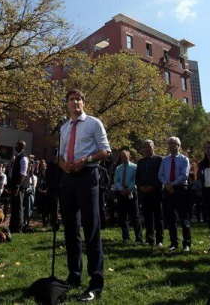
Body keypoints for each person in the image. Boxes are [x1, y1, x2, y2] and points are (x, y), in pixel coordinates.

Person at [58, 88, 111, 302]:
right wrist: (63, 164)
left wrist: (86, 159)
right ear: (67, 104)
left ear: (83, 102)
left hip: (88, 175)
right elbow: (60, 154)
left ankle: (95, 283)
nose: (75, 102)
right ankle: (74, 275)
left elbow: (105, 150)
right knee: (70, 229)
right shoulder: (64, 128)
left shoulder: (94, 123)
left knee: (91, 228)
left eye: (78, 99)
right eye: (71, 99)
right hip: (68, 177)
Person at [158, 136, 192, 253]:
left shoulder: (184, 159)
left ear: (178, 146)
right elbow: (160, 174)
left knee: (183, 217)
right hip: (168, 190)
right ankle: (174, 242)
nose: (171, 146)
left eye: (173, 143)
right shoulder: (165, 160)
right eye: (169, 143)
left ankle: (186, 243)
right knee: (170, 217)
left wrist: (173, 184)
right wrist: (167, 184)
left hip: (180, 189)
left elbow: (184, 175)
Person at [136, 139, 164, 247]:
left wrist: (153, 186)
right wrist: (140, 187)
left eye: (149, 146)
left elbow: (161, 175)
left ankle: (159, 240)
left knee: (158, 217)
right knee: (147, 217)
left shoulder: (160, 160)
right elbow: (137, 176)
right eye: (145, 147)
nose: (147, 148)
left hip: (156, 192)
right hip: (144, 193)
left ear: (153, 147)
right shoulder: (140, 162)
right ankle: (150, 239)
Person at [114, 150, 142, 243]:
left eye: (125, 156)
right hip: (121, 193)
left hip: (132, 192)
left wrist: (129, 189)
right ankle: (126, 237)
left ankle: (138, 238)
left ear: (129, 157)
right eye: (122, 157)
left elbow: (136, 180)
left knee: (135, 216)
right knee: (123, 216)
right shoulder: (118, 168)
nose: (123, 158)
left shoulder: (134, 167)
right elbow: (116, 181)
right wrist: (121, 189)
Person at [8, 140, 29, 233]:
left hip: (19, 186)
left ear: (22, 147)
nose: (15, 146)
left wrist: (18, 186)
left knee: (18, 206)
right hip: (14, 185)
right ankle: (13, 225)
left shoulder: (23, 157)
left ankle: (18, 227)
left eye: (17, 145)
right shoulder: (17, 156)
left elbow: (23, 173)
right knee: (14, 205)